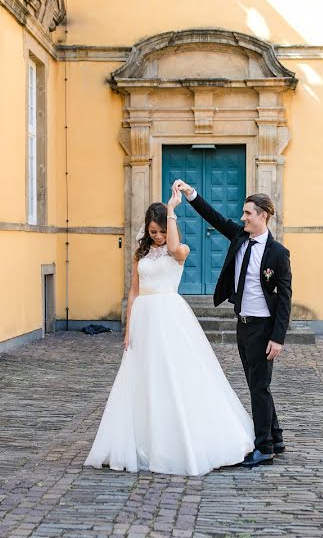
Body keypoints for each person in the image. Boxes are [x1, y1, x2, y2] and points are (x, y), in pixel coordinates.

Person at [84, 189, 255, 476]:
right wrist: (128, 330)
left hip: (170, 317)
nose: (158, 236)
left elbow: (174, 248)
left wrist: (173, 208)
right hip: (144, 319)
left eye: (161, 231)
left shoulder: (181, 250)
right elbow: (134, 291)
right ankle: (143, 438)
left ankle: (181, 439)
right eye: (153, 231)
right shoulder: (141, 254)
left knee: (175, 374)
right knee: (143, 377)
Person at [173, 180, 292, 467]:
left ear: (263, 215)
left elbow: (286, 297)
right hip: (243, 323)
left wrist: (278, 338)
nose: (242, 218)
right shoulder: (240, 237)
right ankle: (276, 437)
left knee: (259, 387)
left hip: (264, 328)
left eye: (248, 213)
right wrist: (191, 194)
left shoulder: (278, 253)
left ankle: (264, 448)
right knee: (256, 383)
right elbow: (214, 217)